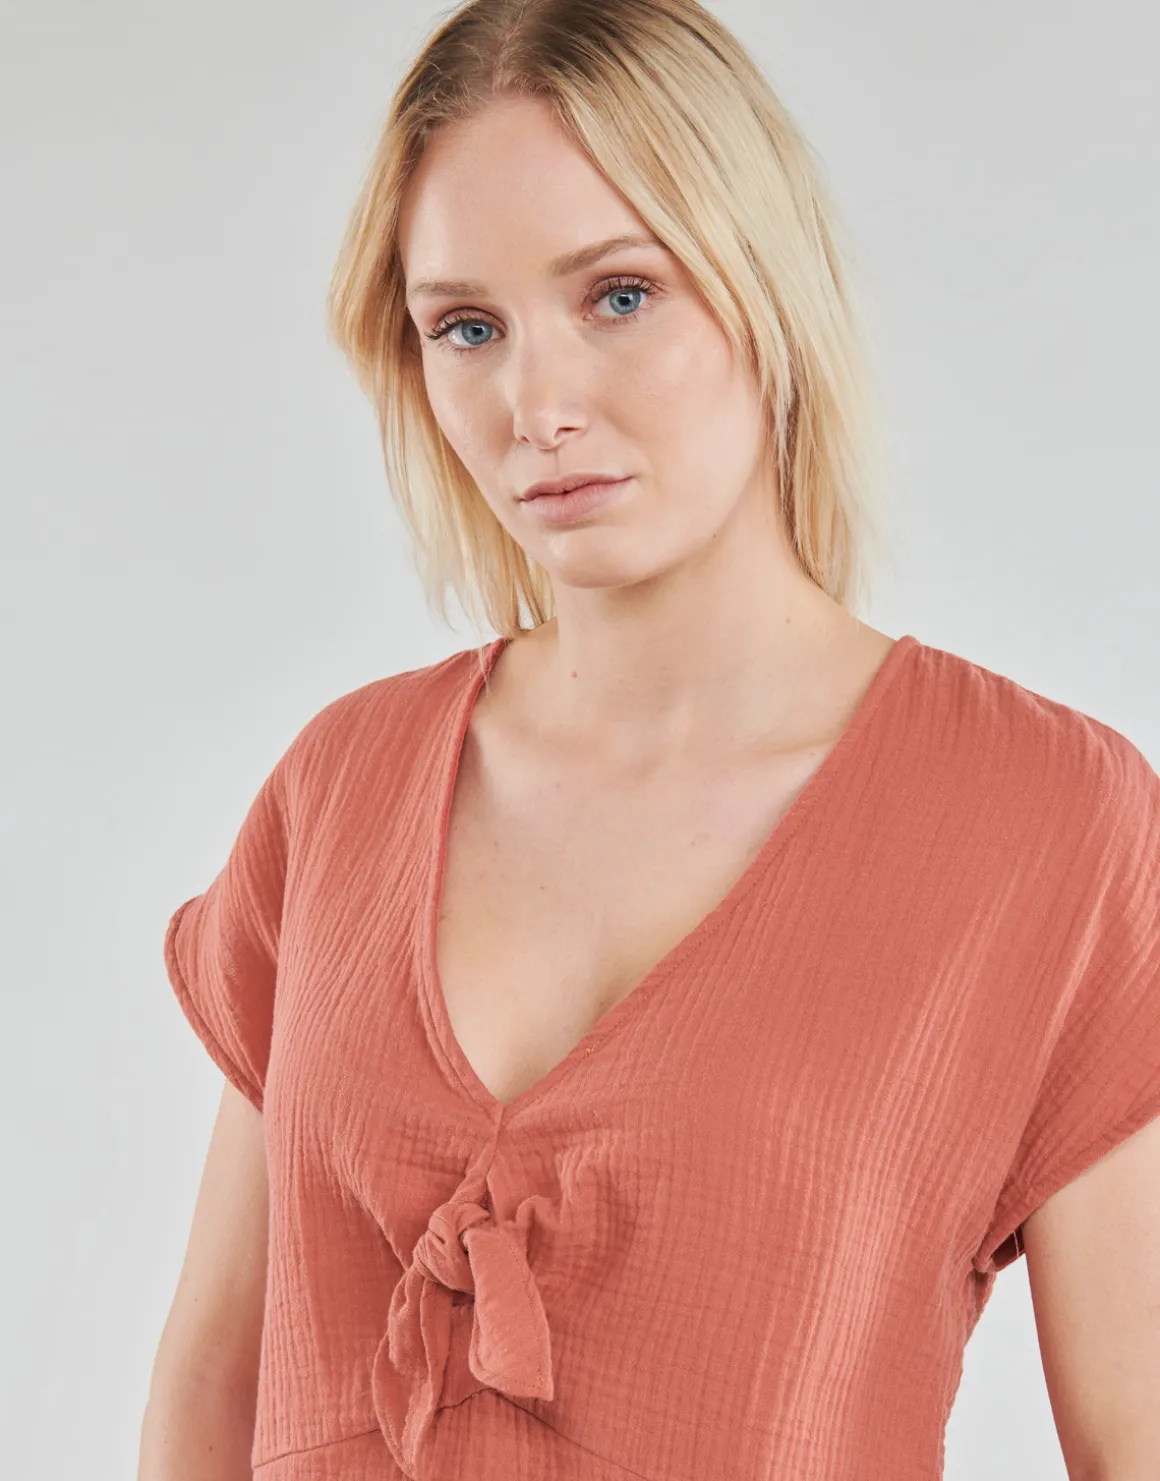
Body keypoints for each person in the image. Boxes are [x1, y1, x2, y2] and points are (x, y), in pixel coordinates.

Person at [138, 2, 1160, 1478]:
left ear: (765, 286)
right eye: (467, 329)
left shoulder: (1049, 821)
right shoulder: (338, 789)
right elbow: (210, 1389)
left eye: (619, 295)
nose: (538, 405)